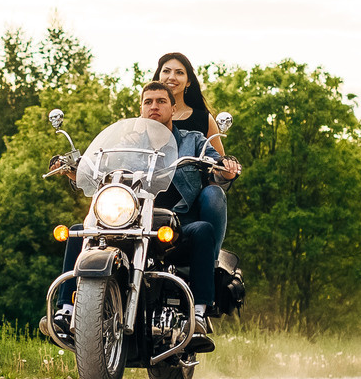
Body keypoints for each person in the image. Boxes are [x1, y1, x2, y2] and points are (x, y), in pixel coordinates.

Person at [49, 80, 235, 320]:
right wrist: (76, 170)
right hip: (130, 219)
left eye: (161, 101)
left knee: (202, 230)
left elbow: (217, 164)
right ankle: (66, 310)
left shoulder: (194, 140)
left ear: (173, 109)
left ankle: (199, 311)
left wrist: (226, 168)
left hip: (173, 224)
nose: (154, 106)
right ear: (141, 109)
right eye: (148, 102)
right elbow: (100, 166)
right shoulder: (126, 144)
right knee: (79, 231)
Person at [153, 53, 240, 322]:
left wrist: (227, 168)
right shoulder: (148, 119)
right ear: (157, 77)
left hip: (190, 200)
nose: (171, 77)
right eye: (166, 71)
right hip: (152, 201)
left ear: (188, 81)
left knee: (214, 192)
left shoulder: (202, 121)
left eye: (179, 72)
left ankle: (208, 264)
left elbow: (219, 165)